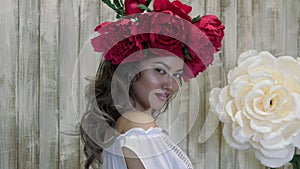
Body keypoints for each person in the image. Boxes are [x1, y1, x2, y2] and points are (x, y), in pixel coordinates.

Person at [80, 0, 225, 168]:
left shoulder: (120, 127)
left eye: (177, 75)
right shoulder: (140, 128)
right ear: (129, 69)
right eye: (160, 70)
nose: (170, 85)